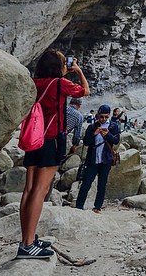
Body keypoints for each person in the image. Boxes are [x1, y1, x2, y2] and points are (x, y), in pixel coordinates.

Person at [18, 50, 89, 259]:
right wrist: (77, 70)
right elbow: (85, 91)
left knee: (29, 189)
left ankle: (26, 240)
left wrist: (62, 74)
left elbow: (50, 86)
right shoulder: (62, 84)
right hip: (51, 140)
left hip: (33, 139)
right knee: (40, 191)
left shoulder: (34, 82)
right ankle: (28, 244)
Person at [75, 104, 121, 214]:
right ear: (98, 115)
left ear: (109, 116)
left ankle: (97, 207)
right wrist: (94, 134)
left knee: (102, 184)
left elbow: (116, 140)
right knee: (86, 183)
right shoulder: (92, 127)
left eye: (106, 117)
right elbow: (86, 142)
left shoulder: (113, 126)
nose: (103, 119)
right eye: (101, 117)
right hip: (92, 159)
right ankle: (79, 206)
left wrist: (108, 135)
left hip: (106, 160)